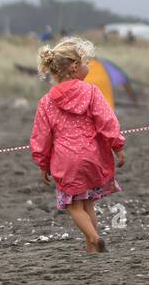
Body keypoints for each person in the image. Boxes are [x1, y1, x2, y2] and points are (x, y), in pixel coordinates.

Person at [30, 37, 125, 254]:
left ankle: (94, 238)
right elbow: (107, 121)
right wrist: (117, 146)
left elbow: (41, 137)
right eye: (84, 62)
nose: (88, 66)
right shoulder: (91, 92)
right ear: (74, 67)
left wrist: (43, 163)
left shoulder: (46, 102)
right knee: (88, 203)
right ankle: (92, 248)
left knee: (74, 206)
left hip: (66, 161)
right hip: (93, 156)